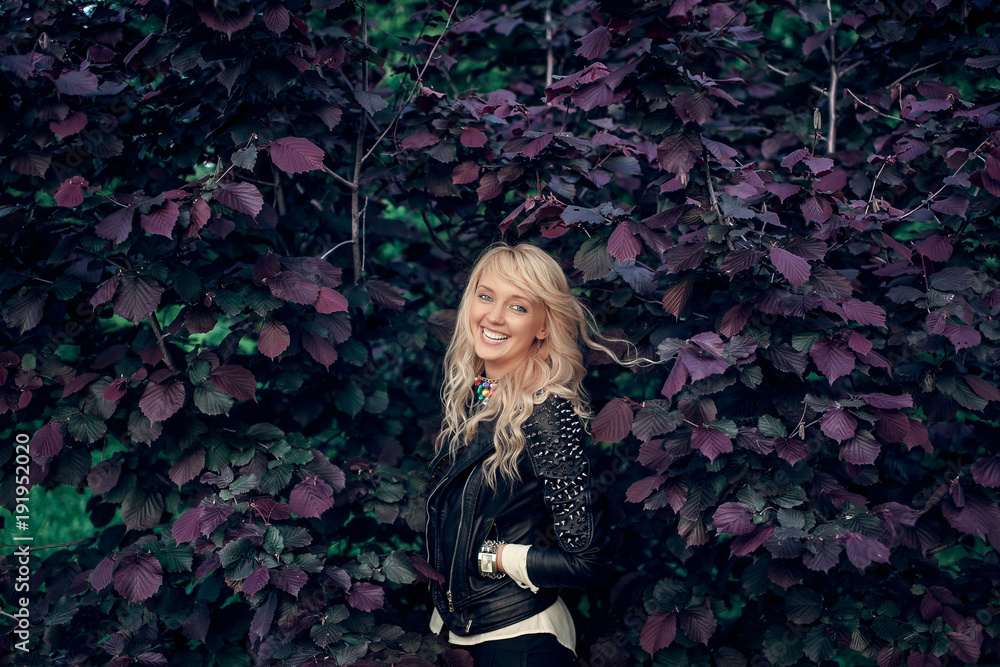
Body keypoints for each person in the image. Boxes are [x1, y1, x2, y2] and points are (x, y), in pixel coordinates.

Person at [424, 242, 637, 666]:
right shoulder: (479, 395)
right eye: (486, 297)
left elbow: (589, 562)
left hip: (518, 640)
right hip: (451, 629)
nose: (494, 317)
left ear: (542, 326)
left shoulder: (547, 414)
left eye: (518, 307)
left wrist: (495, 556)